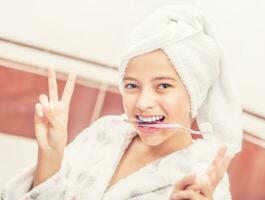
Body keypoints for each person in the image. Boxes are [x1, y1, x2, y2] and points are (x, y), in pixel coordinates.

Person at [0, 5, 242, 200]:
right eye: (132, 86)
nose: (144, 102)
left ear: (194, 91)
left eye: (163, 86)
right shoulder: (105, 132)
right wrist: (51, 155)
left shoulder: (205, 178)